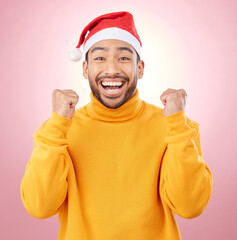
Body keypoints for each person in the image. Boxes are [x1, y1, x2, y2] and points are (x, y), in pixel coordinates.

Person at [20, 11, 213, 240]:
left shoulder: (176, 127)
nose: (111, 70)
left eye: (123, 58)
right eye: (100, 58)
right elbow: (39, 207)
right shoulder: (57, 131)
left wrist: (177, 124)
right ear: (85, 69)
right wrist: (58, 125)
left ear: (140, 68)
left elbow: (190, 207)